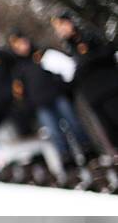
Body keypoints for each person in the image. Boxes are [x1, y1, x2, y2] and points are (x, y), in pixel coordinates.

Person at [9, 30, 96, 168]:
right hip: (40, 104)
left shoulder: (43, 55)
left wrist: (63, 87)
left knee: (74, 123)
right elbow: (18, 92)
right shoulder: (19, 68)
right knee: (54, 132)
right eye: (17, 45)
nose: (21, 47)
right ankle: (66, 158)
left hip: (57, 96)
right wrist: (28, 104)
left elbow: (64, 69)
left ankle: (88, 151)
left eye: (22, 42)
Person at [51, 11, 118, 150]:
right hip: (93, 95)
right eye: (57, 28)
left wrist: (87, 61)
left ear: (70, 22)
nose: (60, 30)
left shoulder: (88, 35)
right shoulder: (68, 47)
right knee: (111, 131)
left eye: (62, 25)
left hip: (109, 89)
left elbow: (108, 51)